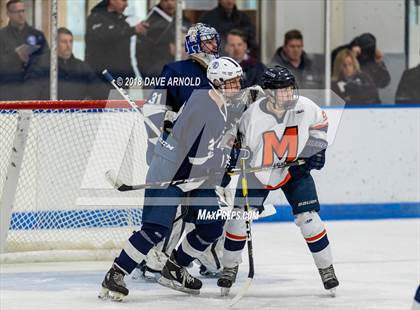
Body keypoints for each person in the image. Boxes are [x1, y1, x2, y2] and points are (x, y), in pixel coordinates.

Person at [99, 57, 244, 300]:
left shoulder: (219, 103)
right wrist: (219, 164)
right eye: (232, 82)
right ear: (217, 82)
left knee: (211, 226)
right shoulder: (205, 106)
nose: (237, 86)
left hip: (194, 177)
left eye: (239, 80)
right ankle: (116, 273)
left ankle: (175, 268)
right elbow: (198, 154)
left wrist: (227, 155)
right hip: (169, 172)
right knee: (156, 229)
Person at [217, 66, 339, 296]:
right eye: (282, 90)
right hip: (257, 172)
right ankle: (229, 268)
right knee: (239, 219)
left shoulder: (305, 106)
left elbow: (321, 123)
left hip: (294, 169)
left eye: (290, 88)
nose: (288, 94)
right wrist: (234, 158)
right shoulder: (251, 115)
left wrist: (316, 147)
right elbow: (232, 142)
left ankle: (327, 269)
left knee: (309, 219)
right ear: (269, 92)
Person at [85, 0, 148, 96]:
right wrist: (132, 30)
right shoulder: (96, 18)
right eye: (123, 0)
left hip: (121, 79)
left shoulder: (123, 23)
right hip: (101, 80)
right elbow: (105, 36)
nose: (126, 4)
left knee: (120, 109)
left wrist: (130, 74)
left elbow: (124, 53)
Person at [25, 28, 101, 100]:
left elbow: (99, 89)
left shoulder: (81, 67)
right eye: (64, 42)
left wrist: (112, 103)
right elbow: (30, 93)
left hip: (76, 112)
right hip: (48, 112)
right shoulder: (41, 64)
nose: (68, 45)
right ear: (55, 44)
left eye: (70, 41)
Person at [0, 0, 48, 101]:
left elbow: (47, 61)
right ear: (8, 14)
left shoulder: (37, 35)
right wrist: (16, 57)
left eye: (23, 11)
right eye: (17, 12)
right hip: (8, 94)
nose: (21, 15)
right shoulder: (1, 36)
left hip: (34, 94)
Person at [136, 0, 191, 79]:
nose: (169, 3)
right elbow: (141, 52)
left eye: (172, 0)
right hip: (156, 75)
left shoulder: (185, 21)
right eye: (165, 0)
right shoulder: (149, 23)